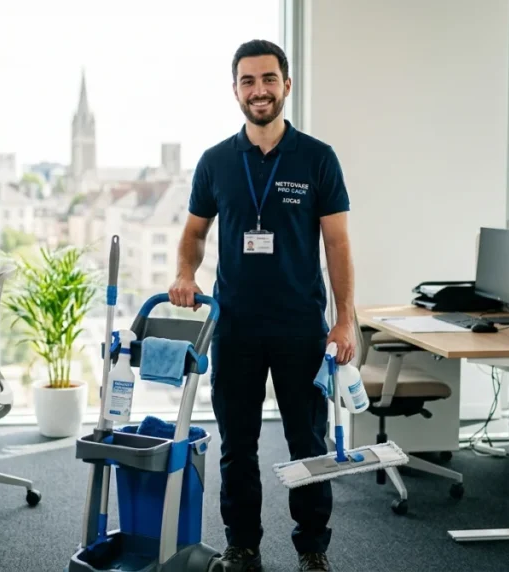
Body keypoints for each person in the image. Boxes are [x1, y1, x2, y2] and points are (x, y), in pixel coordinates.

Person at [168, 39, 355, 572]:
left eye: (268, 79)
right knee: (237, 445)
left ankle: (313, 549)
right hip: (237, 327)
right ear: (235, 90)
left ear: (286, 85)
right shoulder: (217, 162)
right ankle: (242, 544)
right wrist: (185, 273)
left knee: (307, 443)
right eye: (248, 81)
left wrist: (345, 319)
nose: (259, 90)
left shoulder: (318, 158)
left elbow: (337, 244)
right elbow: (194, 234)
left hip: (301, 327)